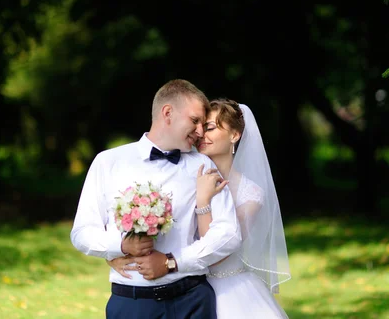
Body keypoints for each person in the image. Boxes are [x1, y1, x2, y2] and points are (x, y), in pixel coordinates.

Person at [70, 80, 241, 319]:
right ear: (168, 113)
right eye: (194, 121)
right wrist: (121, 245)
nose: (200, 132)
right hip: (132, 304)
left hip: (192, 301)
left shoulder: (202, 166)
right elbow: (81, 233)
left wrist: (173, 262)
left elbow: (228, 234)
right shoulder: (108, 162)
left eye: (203, 124)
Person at [109, 98, 292, 318]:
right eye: (199, 127)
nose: (201, 134)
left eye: (210, 128)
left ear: (234, 135)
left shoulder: (250, 193)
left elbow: (219, 252)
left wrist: (203, 202)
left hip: (228, 291)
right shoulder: (183, 175)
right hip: (183, 288)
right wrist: (114, 254)